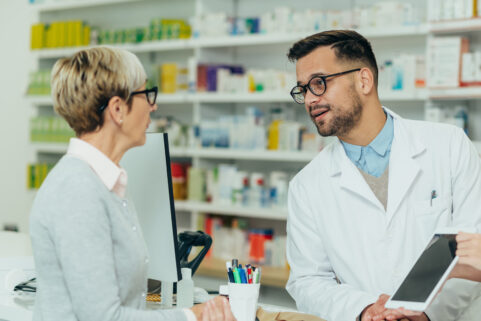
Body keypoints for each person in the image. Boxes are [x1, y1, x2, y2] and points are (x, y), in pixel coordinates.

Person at [284, 30, 481, 321]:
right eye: (303, 89)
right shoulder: (306, 186)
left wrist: (426, 314)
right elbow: (307, 281)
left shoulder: (449, 146)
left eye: (319, 83)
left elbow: (472, 251)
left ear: (364, 80)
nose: (310, 99)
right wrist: (366, 309)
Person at [29, 47, 235, 321]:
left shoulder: (107, 183)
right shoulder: (77, 190)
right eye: (145, 94)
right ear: (117, 109)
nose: (154, 105)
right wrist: (191, 317)